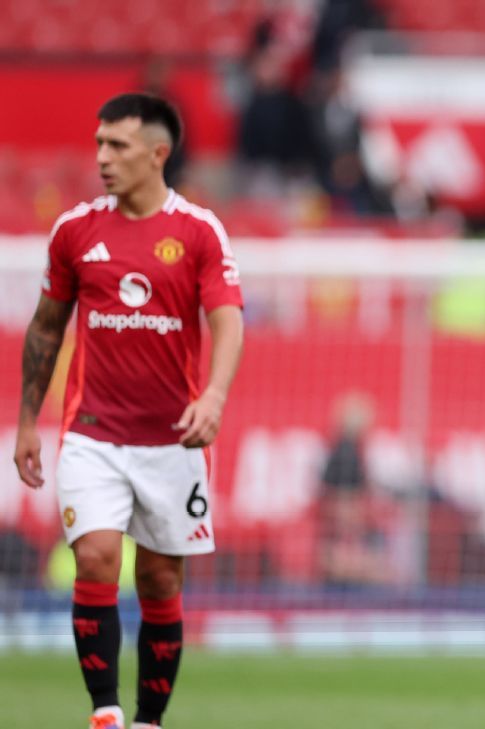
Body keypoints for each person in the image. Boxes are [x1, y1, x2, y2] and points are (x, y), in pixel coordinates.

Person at [12, 94, 244, 729]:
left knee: (161, 581)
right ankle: (106, 714)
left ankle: (148, 720)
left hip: (173, 442)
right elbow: (45, 327)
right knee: (94, 559)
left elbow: (227, 319)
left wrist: (214, 395)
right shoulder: (75, 231)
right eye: (99, 144)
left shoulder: (198, 231)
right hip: (93, 434)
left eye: (117, 145)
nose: (102, 158)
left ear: (157, 153)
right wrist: (28, 421)